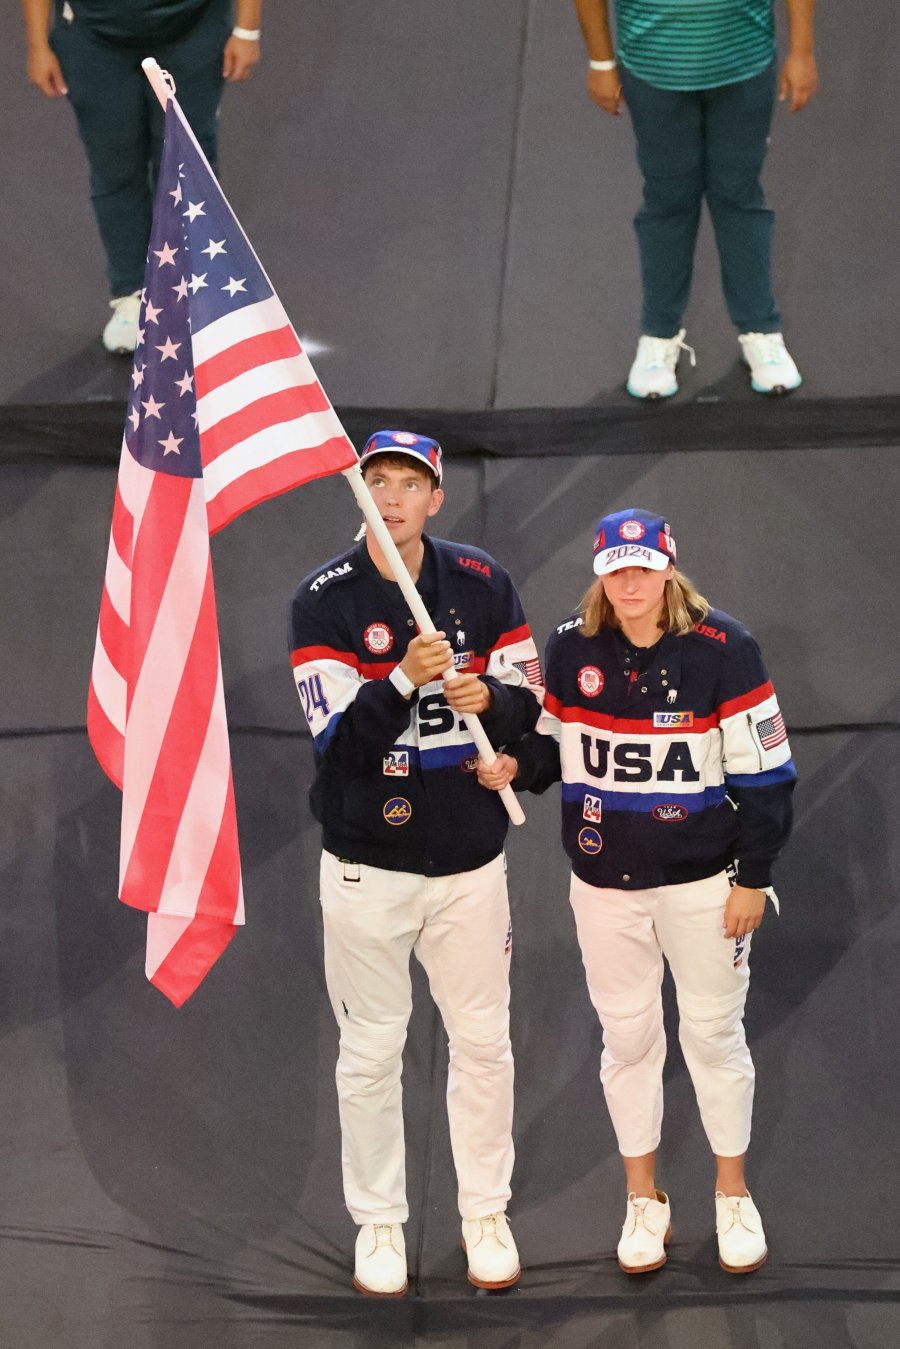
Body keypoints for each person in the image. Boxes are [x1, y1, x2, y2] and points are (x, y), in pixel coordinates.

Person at [478, 507, 796, 1274]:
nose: (629, 583)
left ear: (668, 569)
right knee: (627, 1043)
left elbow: (767, 774)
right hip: (603, 889)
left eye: (642, 568)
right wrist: (515, 767)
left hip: (702, 884)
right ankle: (643, 1201)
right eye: (615, 569)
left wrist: (754, 876)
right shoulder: (570, 646)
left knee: (715, 1038)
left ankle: (731, 1195)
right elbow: (552, 748)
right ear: (599, 573)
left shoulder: (727, 647)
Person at [288, 430, 544, 1296]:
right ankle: (380, 1224)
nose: (392, 496)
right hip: (368, 870)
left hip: (471, 868)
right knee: (369, 1050)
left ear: (438, 498)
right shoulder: (321, 601)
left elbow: (531, 710)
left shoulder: (482, 582)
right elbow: (336, 749)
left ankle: (485, 1212)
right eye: (377, 481)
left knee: (483, 1043)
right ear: (357, 492)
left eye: (410, 483)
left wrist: (493, 703)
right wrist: (400, 680)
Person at [573, 0, 819, 398]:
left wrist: (803, 51)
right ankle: (659, 336)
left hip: (745, 67)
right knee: (668, 202)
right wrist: (600, 63)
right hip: (653, 74)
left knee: (739, 198)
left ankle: (761, 330)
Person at [23, 0, 263, 353]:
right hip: (93, 41)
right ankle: (132, 297)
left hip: (191, 33)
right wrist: (38, 45)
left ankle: (199, 294)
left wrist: (247, 30)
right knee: (115, 169)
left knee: (189, 168)